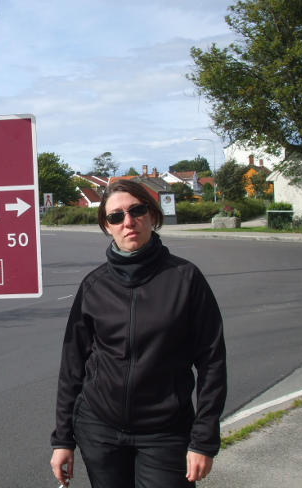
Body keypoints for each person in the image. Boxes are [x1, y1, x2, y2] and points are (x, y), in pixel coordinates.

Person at [50, 179, 226, 487]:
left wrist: (203, 440)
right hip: (100, 430)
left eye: (137, 210)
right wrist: (63, 439)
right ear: (107, 226)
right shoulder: (94, 285)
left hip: (166, 432)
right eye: (116, 216)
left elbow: (212, 362)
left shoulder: (186, 279)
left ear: (152, 215)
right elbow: (72, 366)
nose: (128, 222)